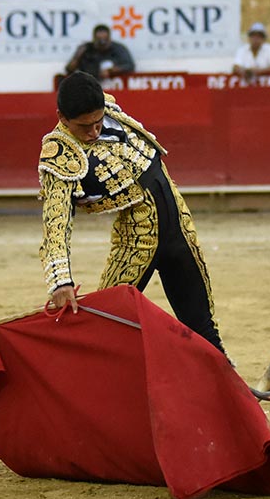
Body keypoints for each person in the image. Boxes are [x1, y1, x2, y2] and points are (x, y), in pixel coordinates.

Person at [38, 71, 226, 355]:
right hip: (137, 242)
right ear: (62, 118)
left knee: (203, 329)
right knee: (104, 328)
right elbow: (56, 223)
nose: (93, 132)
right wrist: (61, 280)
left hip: (180, 228)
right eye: (84, 126)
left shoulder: (110, 108)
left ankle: (232, 397)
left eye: (98, 122)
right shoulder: (58, 153)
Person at [65, 24, 135, 80]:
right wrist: (77, 57)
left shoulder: (118, 49)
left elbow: (129, 66)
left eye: (105, 40)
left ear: (109, 38)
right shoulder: (85, 50)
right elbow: (69, 69)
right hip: (89, 83)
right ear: (94, 38)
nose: (102, 43)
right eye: (99, 40)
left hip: (113, 83)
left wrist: (111, 71)